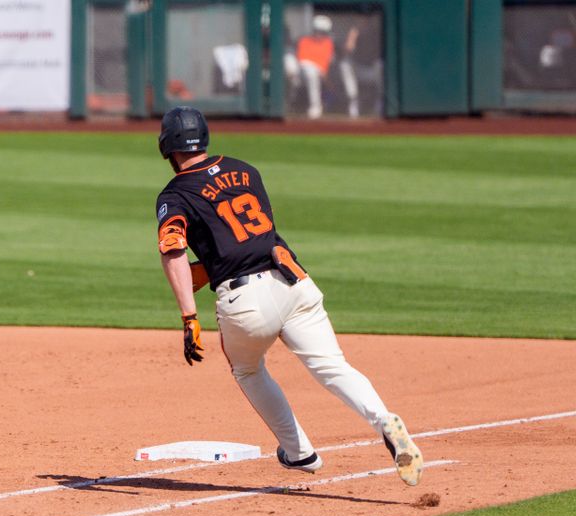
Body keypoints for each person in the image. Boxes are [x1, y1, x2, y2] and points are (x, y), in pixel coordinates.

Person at [154, 106, 423, 486]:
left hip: (246, 302)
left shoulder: (175, 194)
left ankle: (300, 453)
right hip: (293, 283)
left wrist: (189, 316)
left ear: (167, 147)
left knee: (247, 370)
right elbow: (248, 236)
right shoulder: (246, 170)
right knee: (333, 367)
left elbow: (173, 250)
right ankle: (384, 420)